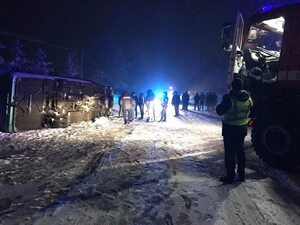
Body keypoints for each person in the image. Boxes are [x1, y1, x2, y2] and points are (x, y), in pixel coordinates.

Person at [216, 78, 253, 184]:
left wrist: (219, 105)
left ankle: (230, 177)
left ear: (232, 86)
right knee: (240, 151)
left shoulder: (228, 97)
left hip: (230, 128)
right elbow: (251, 107)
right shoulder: (248, 97)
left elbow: (219, 111)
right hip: (242, 128)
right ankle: (241, 175)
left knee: (230, 153)